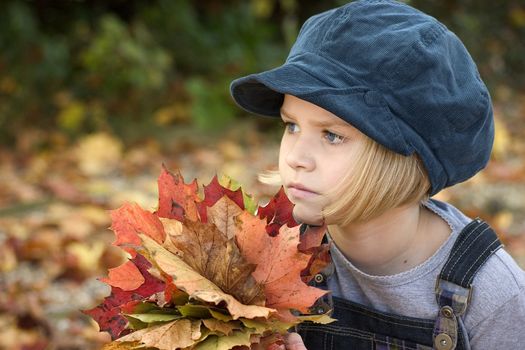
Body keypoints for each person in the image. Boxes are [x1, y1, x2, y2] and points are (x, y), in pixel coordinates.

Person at [229, 0, 525, 349]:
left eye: (332, 135)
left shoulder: (491, 296)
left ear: (407, 157)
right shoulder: (266, 253)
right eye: (291, 126)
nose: (296, 157)